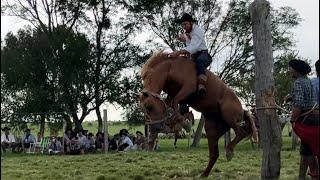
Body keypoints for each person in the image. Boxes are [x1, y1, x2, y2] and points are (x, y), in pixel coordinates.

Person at [286, 59, 319, 180]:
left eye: (289, 68)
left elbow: (299, 104)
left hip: (306, 121)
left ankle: (315, 175)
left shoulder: (298, 83)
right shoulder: (308, 81)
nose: (289, 71)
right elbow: (307, 99)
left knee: (309, 151)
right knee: (306, 150)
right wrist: (291, 97)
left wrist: (293, 119)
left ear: (295, 70)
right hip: (315, 118)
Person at [168, 13, 212, 96]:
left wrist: (178, 52)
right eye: (182, 25)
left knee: (200, 61)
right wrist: (183, 38)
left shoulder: (198, 31)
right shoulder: (188, 33)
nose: (184, 27)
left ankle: (201, 85)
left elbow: (193, 47)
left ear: (191, 23)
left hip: (203, 55)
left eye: (185, 24)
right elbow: (188, 42)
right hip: (193, 56)